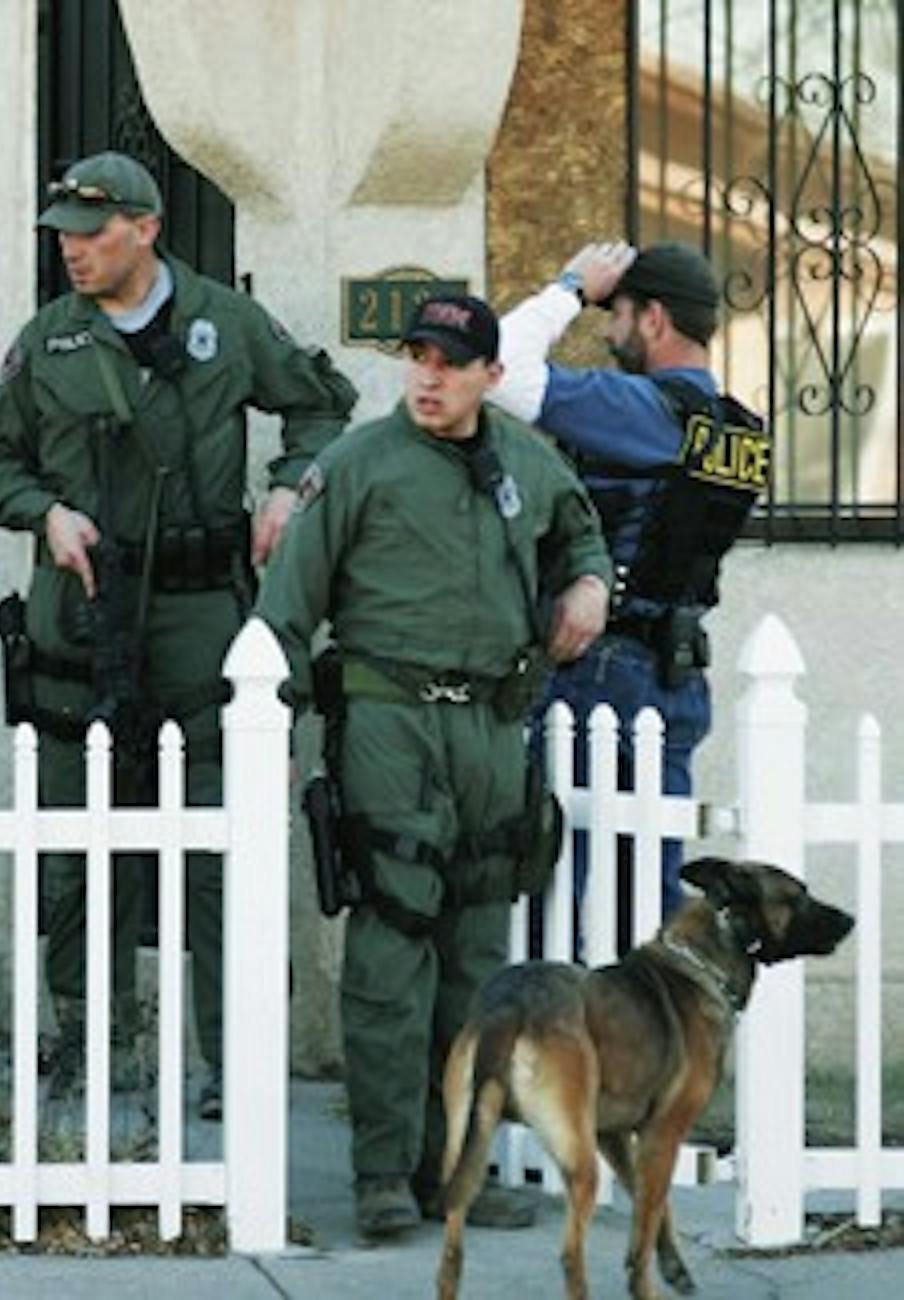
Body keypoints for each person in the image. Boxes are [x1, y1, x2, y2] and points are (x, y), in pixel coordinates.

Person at [0, 150, 357, 1118]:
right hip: (81, 621)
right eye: (63, 239)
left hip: (200, 620)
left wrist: (287, 486)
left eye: (92, 237)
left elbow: (320, 405)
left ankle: (233, 1058)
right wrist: (42, 511)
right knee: (75, 845)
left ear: (147, 229)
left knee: (224, 850)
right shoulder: (47, 342)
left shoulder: (227, 323)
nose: (73, 255)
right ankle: (96, 1048)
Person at [254, 293, 612, 1239]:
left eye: (450, 363)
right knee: (390, 950)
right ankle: (382, 1175)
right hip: (389, 722)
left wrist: (588, 584)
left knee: (477, 964)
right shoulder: (358, 464)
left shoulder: (527, 463)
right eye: (417, 357)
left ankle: (455, 1169)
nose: (427, 376)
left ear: (491, 376)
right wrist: (260, 721)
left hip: (492, 733)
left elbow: (582, 535)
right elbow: (285, 606)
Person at [491, 240, 770, 951]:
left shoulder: (643, 410)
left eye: (613, 314)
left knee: (563, 889)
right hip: (676, 677)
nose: (606, 330)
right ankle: (645, 1050)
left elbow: (498, 372)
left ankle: (570, 1049)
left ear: (652, 320)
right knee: (646, 895)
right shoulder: (737, 427)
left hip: (604, 668)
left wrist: (569, 285)